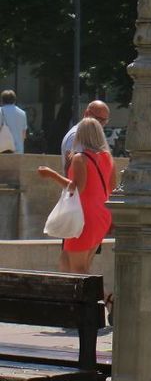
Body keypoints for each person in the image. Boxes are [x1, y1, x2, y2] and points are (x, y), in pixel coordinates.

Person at [37, 118, 117, 275]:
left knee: (78, 270)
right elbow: (112, 188)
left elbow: (77, 188)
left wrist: (51, 174)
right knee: (68, 263)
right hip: (102, 215)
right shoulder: (108, 158)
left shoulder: (80, 158)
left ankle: (99, 291)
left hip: (83, 217)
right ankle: (96, 291)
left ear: (81, 135)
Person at [61, 100, 110, 169]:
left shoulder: (95, 135)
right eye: (99, 119)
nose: (101, 124)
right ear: (87, 114)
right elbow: (73, 170)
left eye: (105, 121)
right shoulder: (76, 136)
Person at [0, 89, 27, 154]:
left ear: (2, 100)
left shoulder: (0, 111)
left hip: (2, 150)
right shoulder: (22, 113)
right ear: (14, 100)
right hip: (18, 150)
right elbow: (23, 135)